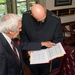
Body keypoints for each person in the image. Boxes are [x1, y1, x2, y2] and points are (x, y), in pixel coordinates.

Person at [20, 4, 63, 75]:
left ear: (45, 9)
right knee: (33, 71)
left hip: (46, 53)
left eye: (43, 18)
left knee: (45, 72)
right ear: (31, 15)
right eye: (39, 19)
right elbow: (23, 35)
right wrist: (28, 48)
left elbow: (58, 39)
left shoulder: (55, 20)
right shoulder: (25, 17)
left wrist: (51, 52)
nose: (42, 21)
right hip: (31, 52)